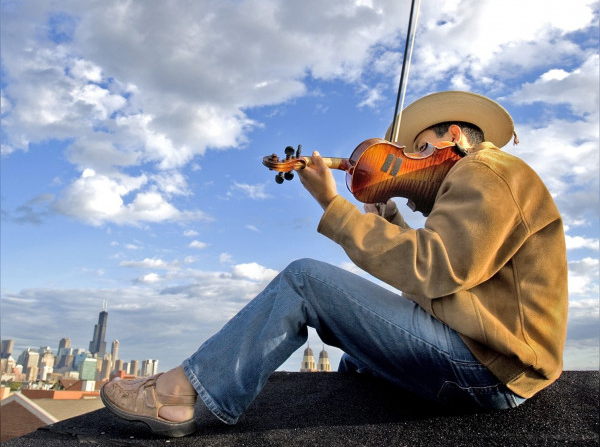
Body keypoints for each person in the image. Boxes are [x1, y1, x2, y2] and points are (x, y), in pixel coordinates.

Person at [101, 91, 568, 438]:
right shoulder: (481, 184)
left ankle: (182, 395)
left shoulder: (485, 170)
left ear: (456, 136)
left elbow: (434, 269)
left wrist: (331, 203)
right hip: (488, 365)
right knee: (353, 361)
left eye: (420, 146)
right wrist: (385, 213)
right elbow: (442, 280)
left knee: (306, 280)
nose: (409, 159)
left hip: (487, 371)